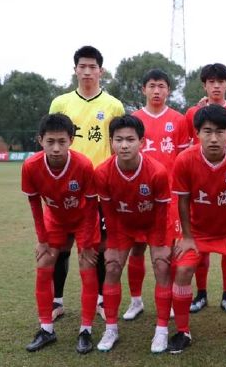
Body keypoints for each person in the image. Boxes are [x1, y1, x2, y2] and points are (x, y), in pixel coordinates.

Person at [169, 104, 226, 354]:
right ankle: (183, 331)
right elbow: (183, 200)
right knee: (184, 269)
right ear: (197, 133)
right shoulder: (185, 159)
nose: (214, 138)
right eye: (207, 131)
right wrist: (186, 237)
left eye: (220, 132)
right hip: (196, 232)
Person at [48, 45, 125, 322]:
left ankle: (103, 300)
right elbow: (52, 141)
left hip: (100, 187)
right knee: (61, 245)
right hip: (65, 186)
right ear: (75, 69)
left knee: (101, 246)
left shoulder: (114, 105)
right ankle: (56, 301)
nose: (88, 71)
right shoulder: (61, 103)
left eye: (93, 66)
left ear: (101, 71)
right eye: (83, 66)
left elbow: (119, 144)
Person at [94, 115, 173, 353]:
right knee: (112, 267)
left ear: (142, 141)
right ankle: (111, 328)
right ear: (111, 142)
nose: (124, 145)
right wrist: (111, 245)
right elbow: (108, 212)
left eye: (130, 139)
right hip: (122, 225)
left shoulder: (157, 172)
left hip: (154, 224)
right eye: (119, 140)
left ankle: (161, 330)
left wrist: (159, 246)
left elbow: (161, 214)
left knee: (162, 266)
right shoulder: (102, 173)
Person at [22, 113, 100, 354]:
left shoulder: (84, 165)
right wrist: (42, 240)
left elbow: (90, 207)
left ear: (71, 141)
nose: (56, 148)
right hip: (54, 219)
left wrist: (86, 244)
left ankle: (85, 330)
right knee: (44, 261)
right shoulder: (31, 166)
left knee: (87, 266)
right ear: (40, 140)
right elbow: (35, 205)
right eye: (50, 142)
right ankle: (46, 329)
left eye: (62, 142)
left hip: (83, 219)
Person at [123, 69, 191, 321]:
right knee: (137, 248)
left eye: (161, 86)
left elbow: (184, 160)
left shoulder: (179, 119)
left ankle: (170, 298)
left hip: (169, 197)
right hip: (138, 197)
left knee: (168, 251)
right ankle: (136, 300)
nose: (156, 91)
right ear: (143, 89)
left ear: (168, 90)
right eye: (151, 86)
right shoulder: (133, 119)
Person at [184, 63, 226, 315]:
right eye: (211, 82)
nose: (216, 86)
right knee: (200, 243)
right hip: (201, 186)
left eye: (221, 81)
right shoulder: (193, 112)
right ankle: (200, 294)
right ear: (204, 86)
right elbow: (187, 147)